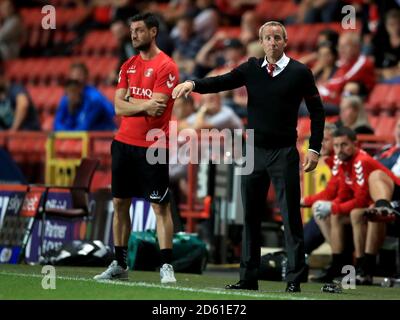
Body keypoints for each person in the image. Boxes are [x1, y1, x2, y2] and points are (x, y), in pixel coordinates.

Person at [173, 20, 325, 292]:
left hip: (284, 152)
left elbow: (317, 111)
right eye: (268, 37)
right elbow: (222, 81)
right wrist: (193, 83)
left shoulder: (300, 72)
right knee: (250, 216)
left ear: (285, 41)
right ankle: (248, 278)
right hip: (253, 150)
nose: (273, 42)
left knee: (291, 216)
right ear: (261, 41)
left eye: (278, 37)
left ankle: (294, 279)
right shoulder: (251, 68)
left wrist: (314, 148)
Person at [94, 13, 179, 284]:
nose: (133, 35)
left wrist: (132, 102)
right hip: (123, 144)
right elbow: (118, 107)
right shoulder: (128, 65)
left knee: (159, 206)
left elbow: (158, 108)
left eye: (139, 30)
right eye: (132, 31)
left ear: (153, 32)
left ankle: (166, 265)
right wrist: (140, 105)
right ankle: (119, 263)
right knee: (120, 203)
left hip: (153, 146)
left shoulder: (167, 65)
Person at [0, 65, 40, 131]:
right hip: (9, 137)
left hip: (28, 133)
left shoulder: (16, 89)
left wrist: (13, 130)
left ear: (3, 77)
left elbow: (23, 105)